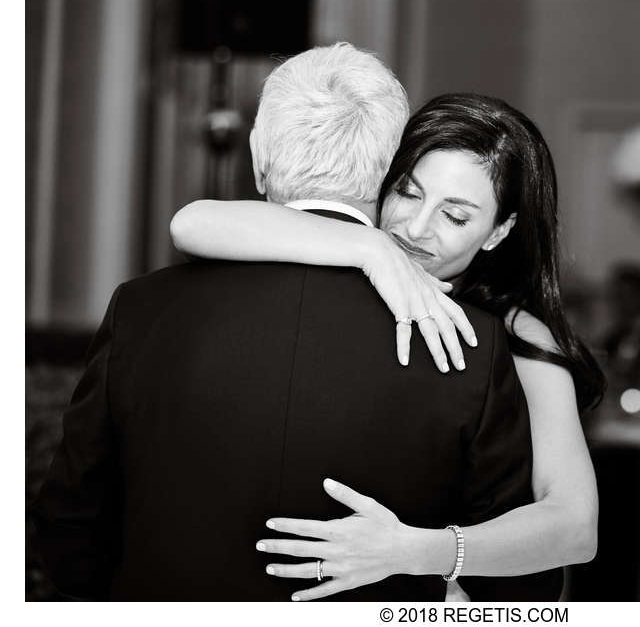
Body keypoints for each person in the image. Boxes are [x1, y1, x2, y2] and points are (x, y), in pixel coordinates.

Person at [30, 43, 564, 601]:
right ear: (388, 174)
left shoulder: (142, 309)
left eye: (455, 215)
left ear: (259, 158)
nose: (423, 227)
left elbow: (68, 524)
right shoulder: (468, 347)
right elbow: (516, 591)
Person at [169, 92, 605, 600]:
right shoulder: (355, 261)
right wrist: (369, 247)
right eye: (408, 192)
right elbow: (191, 223)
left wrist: (418, 552)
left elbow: (575, 527)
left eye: (456, 216)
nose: (415, 228)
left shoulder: (515, 331)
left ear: (498, 232)